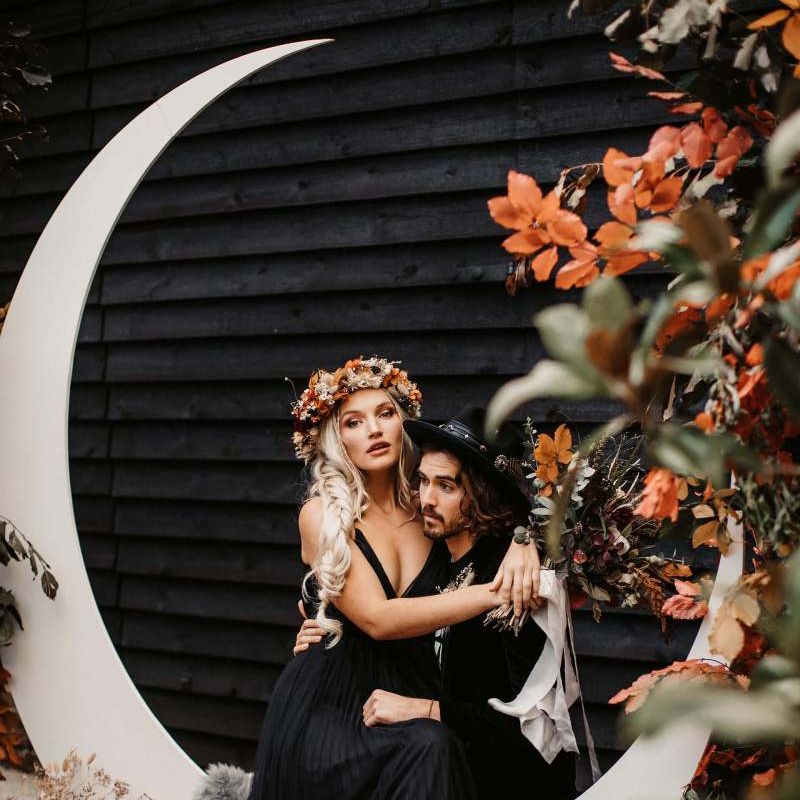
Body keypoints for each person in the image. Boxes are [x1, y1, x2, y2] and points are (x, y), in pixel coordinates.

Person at [243, 357, 541, 800]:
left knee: (435, 749)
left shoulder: (429, 507)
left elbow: (498, 511)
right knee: (430, 749)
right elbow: (377, 619)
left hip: (407, 692)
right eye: (354, 422)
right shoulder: (322, 513)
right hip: (333, 702)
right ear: (334, 438)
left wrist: (525, 539)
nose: (375, 430)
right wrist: (494, 593)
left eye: (385, 414)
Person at [298, 406, 579, 799]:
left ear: (483, 493)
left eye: (445, 486)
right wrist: (326, 624)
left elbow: (535, 730)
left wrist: (426, 710)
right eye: (423, 481)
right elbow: (384, 615)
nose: (425, 499)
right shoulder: (438, 562)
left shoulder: (515, 581)